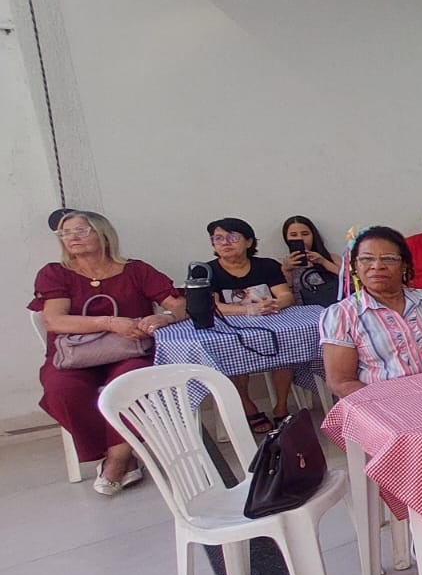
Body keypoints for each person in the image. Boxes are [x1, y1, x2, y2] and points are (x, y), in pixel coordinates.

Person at [33, 211, 188, 495]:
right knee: (61, 390)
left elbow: (179, 304)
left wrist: (163, 318)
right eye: (65, 233)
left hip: (130, 351)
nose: (72, 237)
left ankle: (117, 458)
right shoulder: (55, 273)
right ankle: (121, 451)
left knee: (132, 382)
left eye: (81, 230)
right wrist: (109, 323)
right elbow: (54, 320)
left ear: (103, 235)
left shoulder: (135, 270)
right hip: (75, 355)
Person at [321, 226, 422, 399]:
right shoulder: (342, 316)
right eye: (366, 259)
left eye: (389, 259)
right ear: (355, 267)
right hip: (382, 406)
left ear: (404, 265)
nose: (377, 266)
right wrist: (390, 406)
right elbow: (341, 382)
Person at [203, 217, 297, 431]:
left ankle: (281, 406)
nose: (225, 243)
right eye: (218, 238)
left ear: (249, 241)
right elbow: (212, 306)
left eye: (232, 237)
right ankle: (247, 405)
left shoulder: (267, 265)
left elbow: (285, 295)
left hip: (269, 325)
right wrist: (248, 310)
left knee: (286, 345)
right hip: (230, 330)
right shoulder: (206, 271)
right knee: (230, 352)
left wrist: (274, 303)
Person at [279, 215, 340, 298]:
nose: (300, 238)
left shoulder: (332, 258)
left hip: (333, 303)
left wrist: (324, 262)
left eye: (305, 234)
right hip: (301, 305)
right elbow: (285, 297)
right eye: (293, 235)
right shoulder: (282, 264)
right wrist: (287, 271)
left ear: (313, 235)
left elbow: (351, 280)